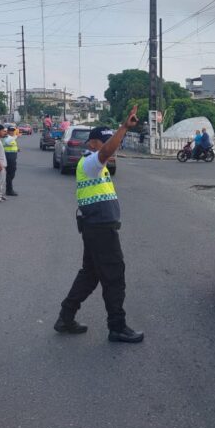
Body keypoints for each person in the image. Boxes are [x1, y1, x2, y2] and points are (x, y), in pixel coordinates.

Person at [55, 105, 144, 344]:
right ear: (93, 143)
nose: (111, 148)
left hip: (95, 227)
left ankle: (65, 317)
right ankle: (117, 326)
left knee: (90, 275)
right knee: (114, 276)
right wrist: (124, 127)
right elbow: (106, 152)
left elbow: (108, 152)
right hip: (100, 229)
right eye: (104, 143)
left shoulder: (98, 166)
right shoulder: (91, 163)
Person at [3, 124, 19, 196]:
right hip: (8, 156)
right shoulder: (7, 137)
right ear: (8, 131)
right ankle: (9, 190)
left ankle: (8, 189)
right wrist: (15, 137)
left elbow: (12, 145)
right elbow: (8, 142)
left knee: (11, 174)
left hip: (12, 156)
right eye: (11, 131)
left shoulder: (11, 137)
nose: (12, 132)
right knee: (10, 174)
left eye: (13, 131)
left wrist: (17, 149)